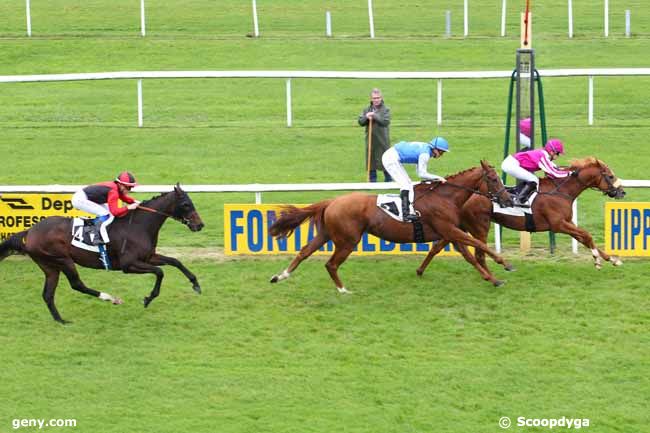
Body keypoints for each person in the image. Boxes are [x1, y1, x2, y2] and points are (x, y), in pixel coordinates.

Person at [71, 171, 141, 268]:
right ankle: (95, 235)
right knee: (105, 213)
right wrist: (129, 207)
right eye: (128, 187)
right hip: (80, 199)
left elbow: (124, 198)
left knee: (109, 215)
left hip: (89, 197)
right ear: (120, 184)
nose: (130, 189)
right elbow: (115, 212)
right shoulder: (113, 191)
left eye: (131, 187)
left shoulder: (116, 188)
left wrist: (135, 202)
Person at [381, 137, 449, 222]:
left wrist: (433, 179)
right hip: (390, 158)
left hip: (391, 156)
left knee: (408, 183)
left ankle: (408, 211)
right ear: (435, 149)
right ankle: (405, 214)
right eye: (441, 152)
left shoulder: (425, 149)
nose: (441, 155)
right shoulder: (425, 154)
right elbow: (422, 173)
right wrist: (439, 178)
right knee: (405, 184)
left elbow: (419, 171)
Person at [501, 138, 572, 205]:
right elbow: (554, 173)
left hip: (511, 163)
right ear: (552, 152)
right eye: (558, 154)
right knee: (534, 179)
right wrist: (570, 174)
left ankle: (511, 192)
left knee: (531, 178)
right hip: (511, 164)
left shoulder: (544, 155)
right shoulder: (542, 156)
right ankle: (518, 201)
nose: (558, 156)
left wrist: (568, 170)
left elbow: (555, 168)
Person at [358, 88, 392, 182]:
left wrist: (374, 116)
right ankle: (373, 182)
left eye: (378, 98)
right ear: (371, 99)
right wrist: (366, 117)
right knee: (371, 161)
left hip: (383, 141)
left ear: (381, 98)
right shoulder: (366, 109)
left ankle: (389, 181)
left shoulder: (386, 109)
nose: (376, 100)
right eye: (374, 98)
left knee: (385, 161)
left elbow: (385, 122)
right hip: (370, 141)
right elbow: (360, 122)